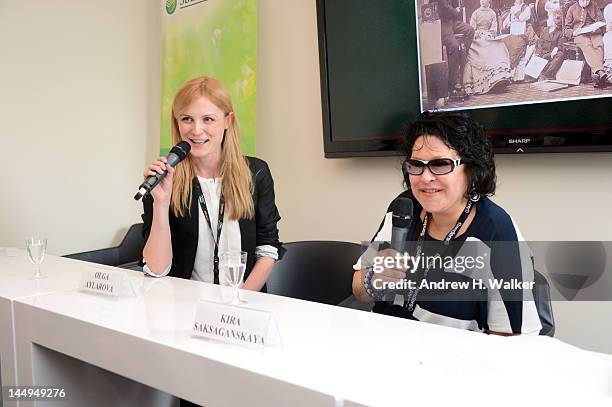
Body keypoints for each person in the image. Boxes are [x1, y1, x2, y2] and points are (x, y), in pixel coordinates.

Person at [351, 111, 542, 335]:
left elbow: (511, 338)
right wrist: (373, 279)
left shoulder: (496, 232)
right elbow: (358, 290)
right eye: (416, 165)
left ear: (471, 170)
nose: (424, 177)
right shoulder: (403, 209)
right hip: (385, 347)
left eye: (440, 164)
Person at [141, 76, 283, 292]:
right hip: (183, 308)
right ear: (177, 123)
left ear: (228, 121)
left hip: (243, 304)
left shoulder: (256, 172)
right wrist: (160, 203)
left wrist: (238, 302)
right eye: (187, 119)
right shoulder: (164, 178)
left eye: (208, 119)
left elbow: (267, 249)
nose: (196, 130)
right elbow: (157, 269)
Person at [463, 0, 513, 94]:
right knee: (480, 47)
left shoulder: (492, 13)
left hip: (488, 37)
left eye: (484, 0)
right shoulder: (476, 13)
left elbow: (494, 27)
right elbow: (472, 29)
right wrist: (479, 33)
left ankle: (499, 76)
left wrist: (490, 33)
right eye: (481, 0)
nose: (482, 1)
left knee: (500, 45)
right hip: (477, 38)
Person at [438, 0, 475, 99]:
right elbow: (445, 6)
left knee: (470, 30)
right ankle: (452, 83)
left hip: (453, 22)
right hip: (443, 23)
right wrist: (456, 11)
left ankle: (462, 56)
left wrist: (456, 8)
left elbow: (454, 5)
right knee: (453, 45)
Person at [564, 0, 605, 80]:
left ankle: (597, 75)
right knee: (587, 45)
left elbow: (601, 21)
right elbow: (566, 28)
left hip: (594, 32)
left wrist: (597, 27)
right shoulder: (572, 8)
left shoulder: (594, 6)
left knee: (599, 44)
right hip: (579, 34)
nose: (586, 1)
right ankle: (600, 71)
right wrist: (573, 33)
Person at [534, 9, 565, 80]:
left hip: (551, 54)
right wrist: (538, 54)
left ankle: (547, 75)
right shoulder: (544, 30)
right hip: (542, 54)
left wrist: (556, 49)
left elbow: (561, 45)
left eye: (549, 18)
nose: (547, 20)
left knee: (560, 54)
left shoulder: (559, 33)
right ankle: (539, 73)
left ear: (554, 20)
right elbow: (539, 43)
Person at [593, 3, 612, 88]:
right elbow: (608, 27)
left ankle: (607, 76)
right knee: (608, 37)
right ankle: (607, 73)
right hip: (608, 34)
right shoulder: (609, 8)